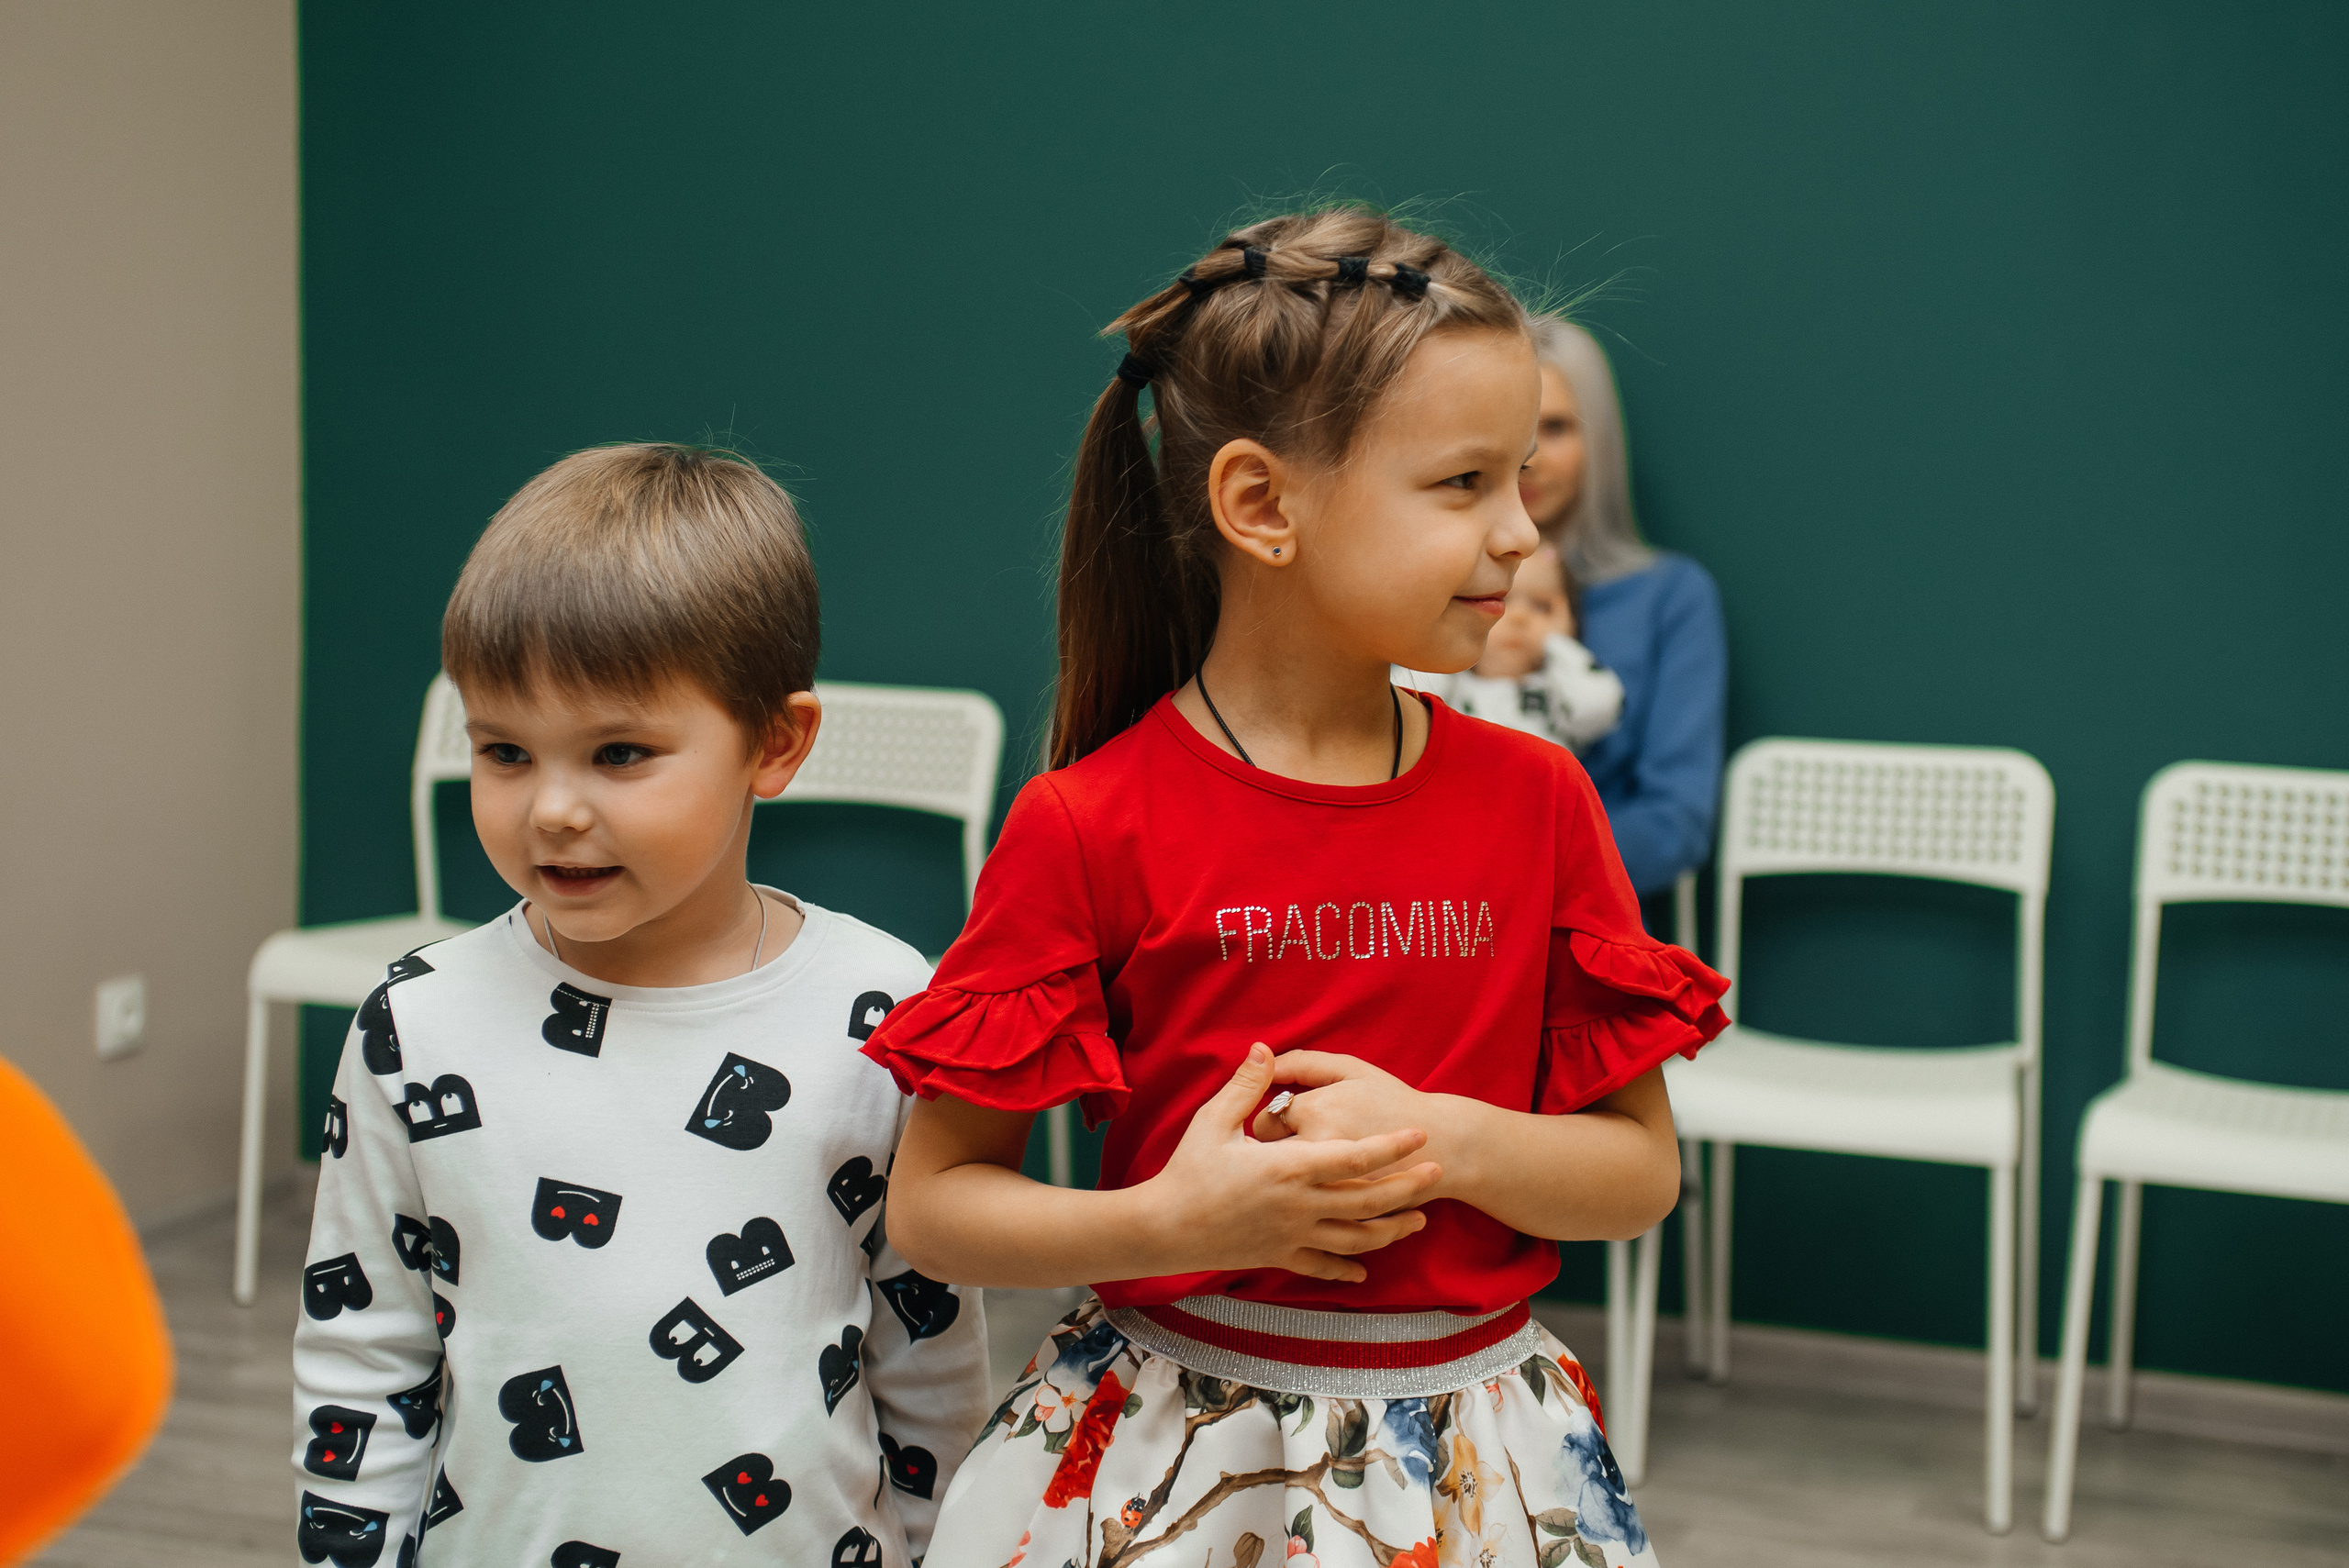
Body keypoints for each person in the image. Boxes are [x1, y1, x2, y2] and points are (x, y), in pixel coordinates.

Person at [864, 210, 1730, 1568]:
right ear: (1263, 505)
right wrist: (1172, 1222)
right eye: (1462, 483)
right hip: (1169, 1469)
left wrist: (1440, 1138)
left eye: (1519, 477)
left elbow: (1638, 1174)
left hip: (1474, 1465)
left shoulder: (1543, 800)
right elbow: (934, 1205)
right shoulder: (1087, 822)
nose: (1520, 531)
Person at [290, 445, 989, 1567]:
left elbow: (927, 1351)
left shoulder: (884, 1007)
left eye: (618, 752)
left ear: (774, 743)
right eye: (505, 750)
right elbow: (364, 1351)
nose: (553, 808)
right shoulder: (414, 1022)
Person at [1520, 316, 1725, 901]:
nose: (1529, 458)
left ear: (1600, 439)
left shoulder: (1671, 596)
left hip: (1586, 920)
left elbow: (1676, 821)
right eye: (1511, 429)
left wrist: (1515, 870)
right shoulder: (1427, 591)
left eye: (1555, 427)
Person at [1395, 540, 1624, 751]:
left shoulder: (1561, 694)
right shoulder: (1450, 687)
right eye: (1500, 600)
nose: (1519, 617)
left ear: (1571, 621)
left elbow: (1598, 708)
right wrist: (1450, 639)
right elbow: (1402, 700)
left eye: (1542, 607)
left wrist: (1559, 642)